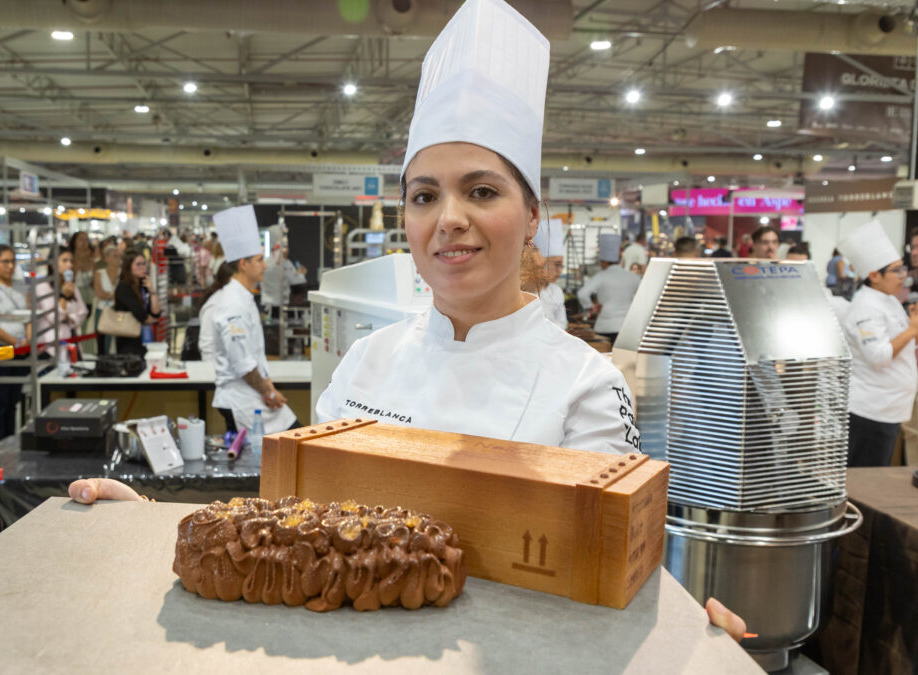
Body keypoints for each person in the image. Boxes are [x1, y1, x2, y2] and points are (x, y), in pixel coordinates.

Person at [67, 0, 747, 640]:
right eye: (425, 195)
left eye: (481, 190)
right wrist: (152, 527)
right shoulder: (366, 361)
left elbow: (612, 573)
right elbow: (294, 534)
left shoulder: (587, 386)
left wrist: (682, 627)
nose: (450, 218)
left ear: (534, 214)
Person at [209, 204, 297, 435]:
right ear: (243, 264)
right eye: (259, 260)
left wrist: (268, 387)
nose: (265, 265)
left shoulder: (243, 298)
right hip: (243, 400)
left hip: (252, 394)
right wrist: (268, 392)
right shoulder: (232, 304)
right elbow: (242, 362)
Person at [837, 220, 918, 467]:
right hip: (871, 410)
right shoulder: (865, 307)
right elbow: (879, 355)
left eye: (902, 269)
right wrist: (913, 329)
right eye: (896, 271)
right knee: (864, 482)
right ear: (874, 275)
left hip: (889, 407)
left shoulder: (888, 299)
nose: (903, 276)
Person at [0, 244, 31, 449]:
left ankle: (11, 445)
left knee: (13, 401)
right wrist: (13, 341)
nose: (10, 266)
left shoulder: (20, 286)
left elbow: (29, 315)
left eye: (13, 261)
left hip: (20, 351)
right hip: (0, 349)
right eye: (5, 262)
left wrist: (26, 340)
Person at [578, 233, 641, 342]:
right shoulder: (633, 277)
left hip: (605, 327)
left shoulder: (601, 276)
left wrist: (591, 307)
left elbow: (582, 293)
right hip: (627, 328)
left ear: (604, 261)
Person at [35, 247, 89, 358]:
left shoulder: (72, 286)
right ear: (53, 264)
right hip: (51, 345)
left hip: (71, 341)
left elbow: (82, 311)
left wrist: (70, 319)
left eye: (71, 261)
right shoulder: (43, 287)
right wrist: (64, 296)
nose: (69, 265)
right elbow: (54, 318)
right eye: (64, 261)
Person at [113, 248, 162, 357]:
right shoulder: (124, 287)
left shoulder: (142, 286)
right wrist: (152, 319)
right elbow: (142, 315)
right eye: (138, 264)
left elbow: (156, 313)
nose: (143, 267)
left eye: (144, 264)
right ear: (128, 267)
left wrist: (152, 292)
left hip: (144, 337)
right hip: (129, 340)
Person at [531, 222, 567, 329]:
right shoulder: (526, 291)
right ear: (541, 264)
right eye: (556, 265)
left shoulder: (556, 291)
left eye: (561, 265)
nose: (559, 270)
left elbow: (562, 323)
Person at [93, 245, 122, 355]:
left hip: (118, 310)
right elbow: (99, 293)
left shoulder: (122, 273)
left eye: (119, 256)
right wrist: (114, 295)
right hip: (102, 310)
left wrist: (110, 295)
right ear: (107, 258)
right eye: (115, 256)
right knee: (102, 340)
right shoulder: (100, 273)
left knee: (118, 339)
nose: (118, 259)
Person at [68, 231, 97, 333]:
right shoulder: (69, 258)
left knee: (89, 326)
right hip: (74, 295)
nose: (84, 242)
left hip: (90, 296)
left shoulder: (92, 258)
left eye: (86, 239)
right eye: (81, 239)